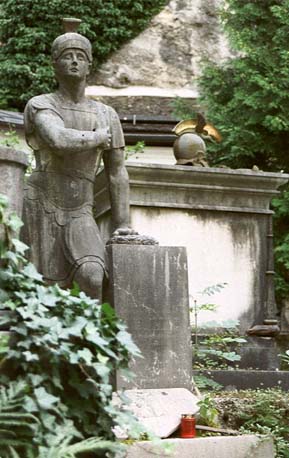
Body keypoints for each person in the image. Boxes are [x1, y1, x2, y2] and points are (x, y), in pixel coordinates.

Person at [22, 22, 135, 300]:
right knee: (35, 288)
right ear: (55, 64)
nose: (74, 61)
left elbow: (117, 173)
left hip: (80, 209)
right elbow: (59, 139)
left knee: (92, 276)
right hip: (40, 203)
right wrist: (98, 137)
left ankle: (84, 342)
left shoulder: (106, 114)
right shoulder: (41, 104)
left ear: (89, 65)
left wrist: (123, 226)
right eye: (67, 56)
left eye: (80, 56)